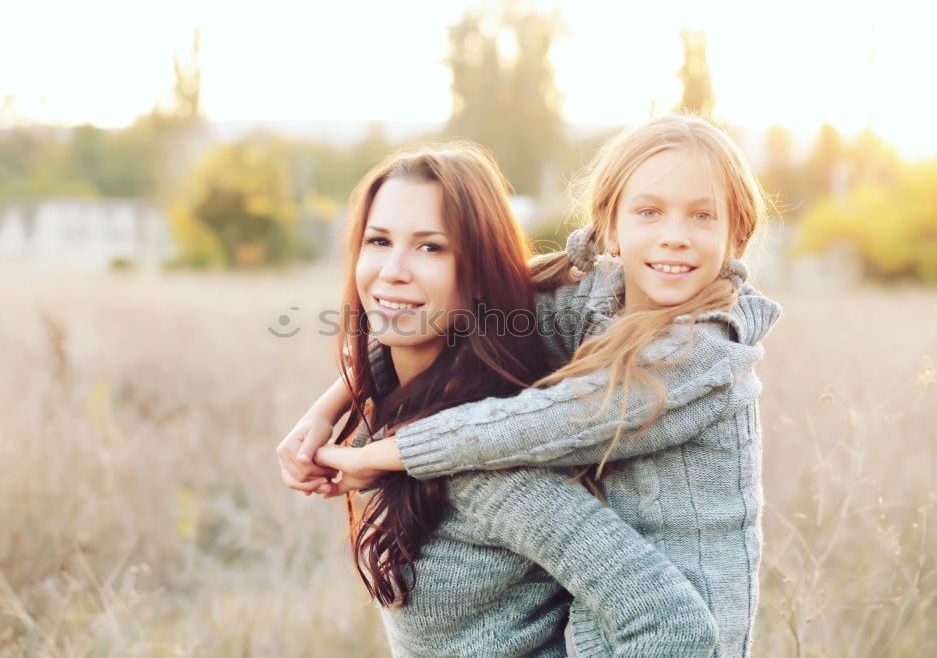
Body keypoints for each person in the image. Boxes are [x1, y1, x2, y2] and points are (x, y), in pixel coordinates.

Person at [282, 115, 781, 656]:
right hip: (602, 629)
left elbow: (554, 419)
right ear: (608, 227)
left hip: (697, 624)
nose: (674, 237)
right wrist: (328, 407)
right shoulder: (593, 299)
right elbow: (453, 305)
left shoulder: (703, 354)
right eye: (649, 211)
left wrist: (389, 452)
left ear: (738, 234)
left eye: (703, 215)